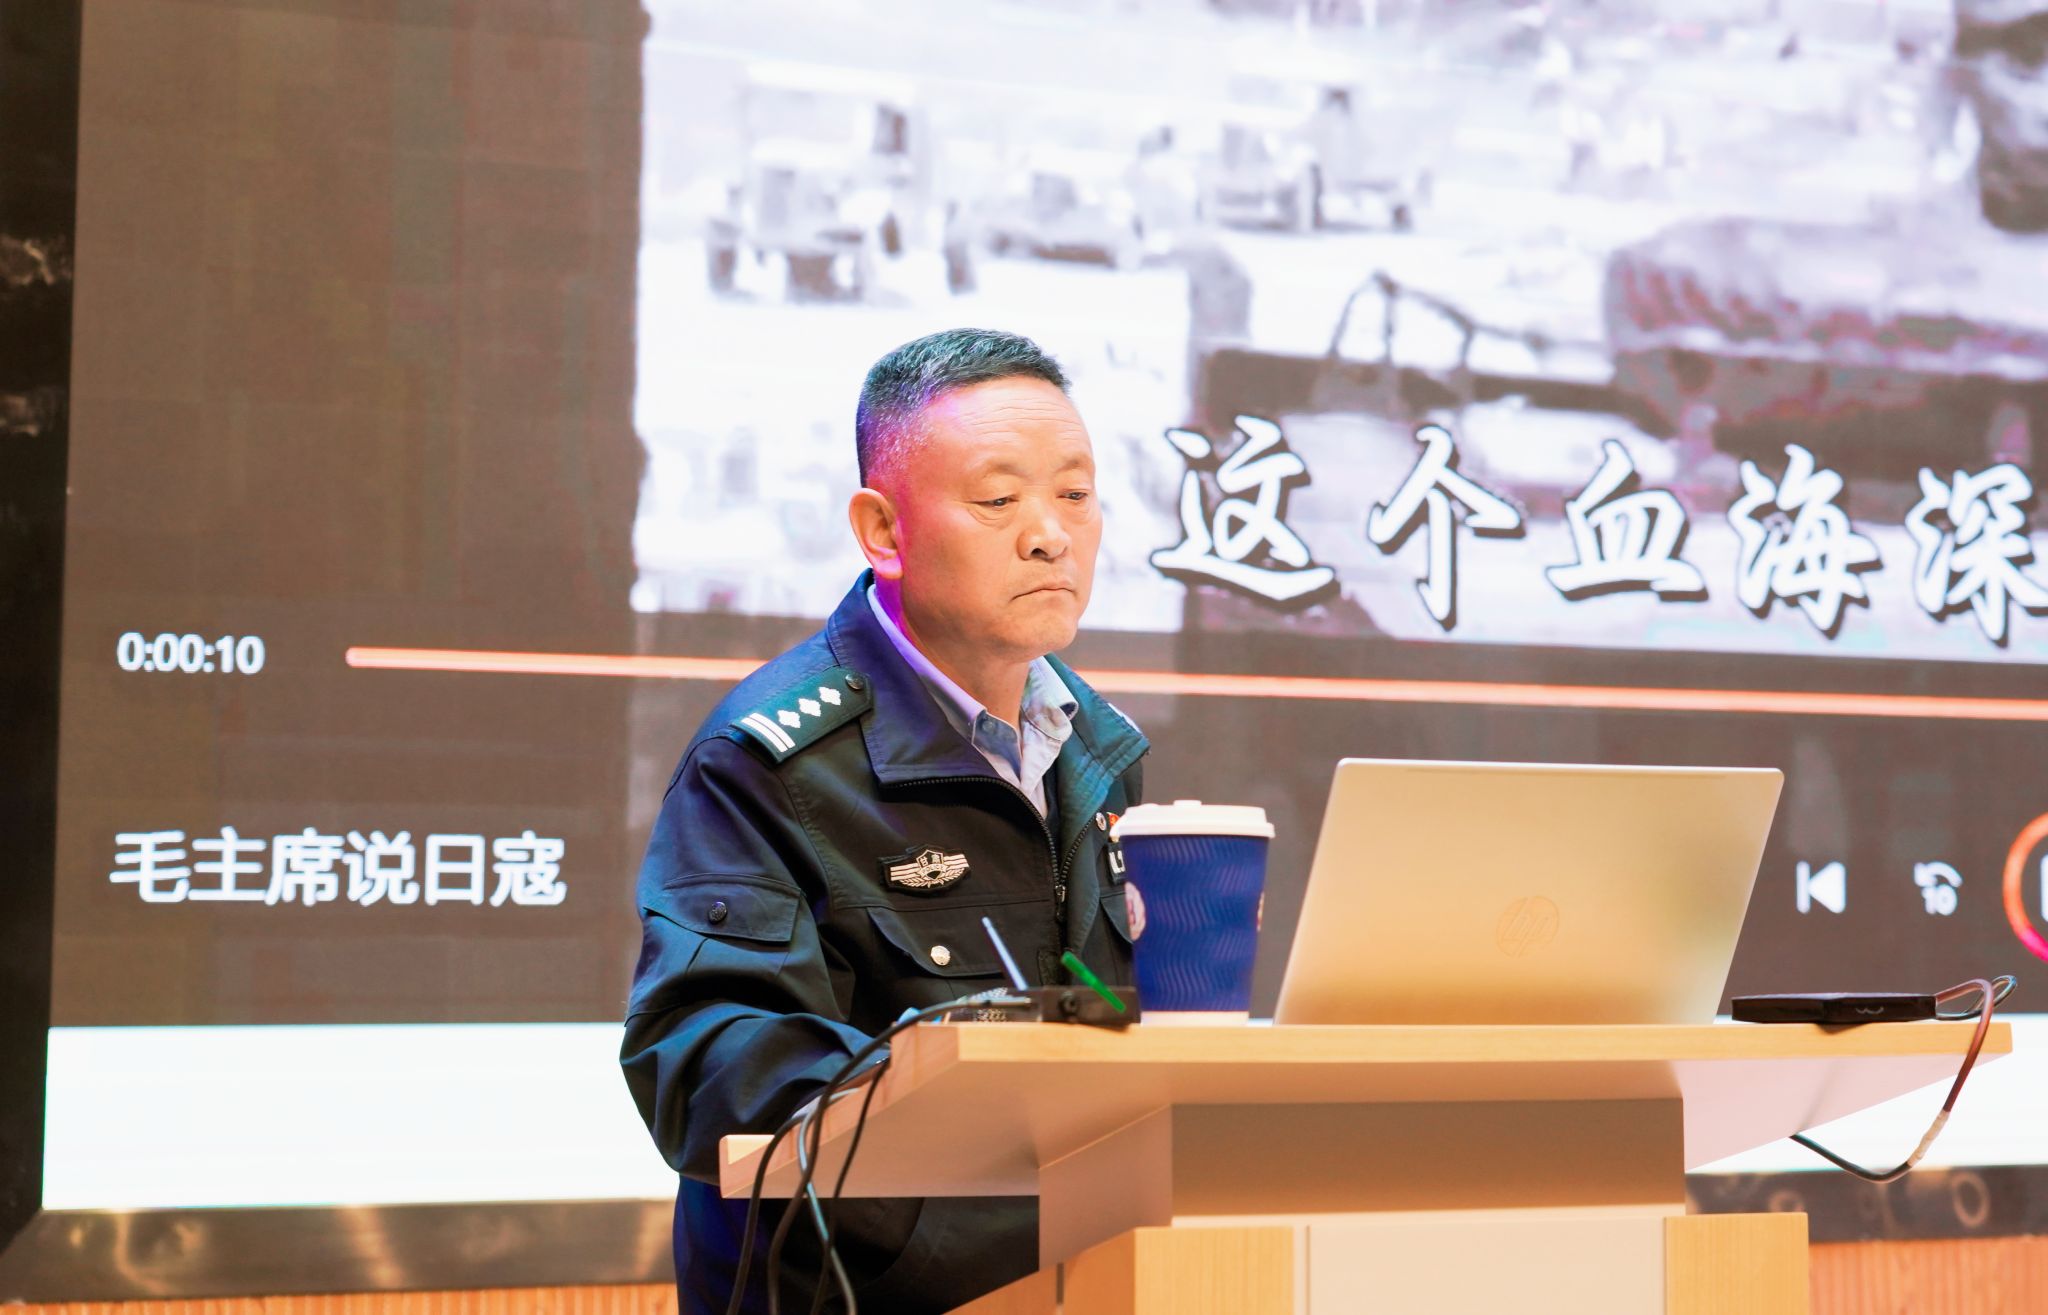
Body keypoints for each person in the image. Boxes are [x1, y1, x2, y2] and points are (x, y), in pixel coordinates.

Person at [622, 328, 1148, 1315]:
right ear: (882, 529)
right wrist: (989, 1174)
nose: (1051, 534)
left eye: (1075, 494)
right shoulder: (767, 760)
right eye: (998, 500)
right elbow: (703, 1066)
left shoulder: (1097, 746)